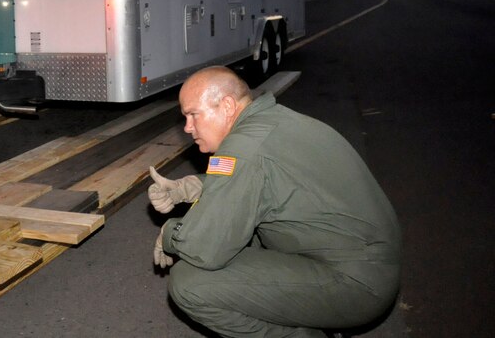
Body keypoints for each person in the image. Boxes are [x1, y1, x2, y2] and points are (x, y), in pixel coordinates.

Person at [149, 66, 401, 337]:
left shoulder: (244, 147)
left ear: (226, 106)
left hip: (356, 284)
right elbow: (253, 178)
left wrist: (170, 234)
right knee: (242, 231)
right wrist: (191, 187)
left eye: (192, 115)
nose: (187, 127)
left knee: (190, 282)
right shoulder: (272, 120)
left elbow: (205, 249)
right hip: (370, 266)